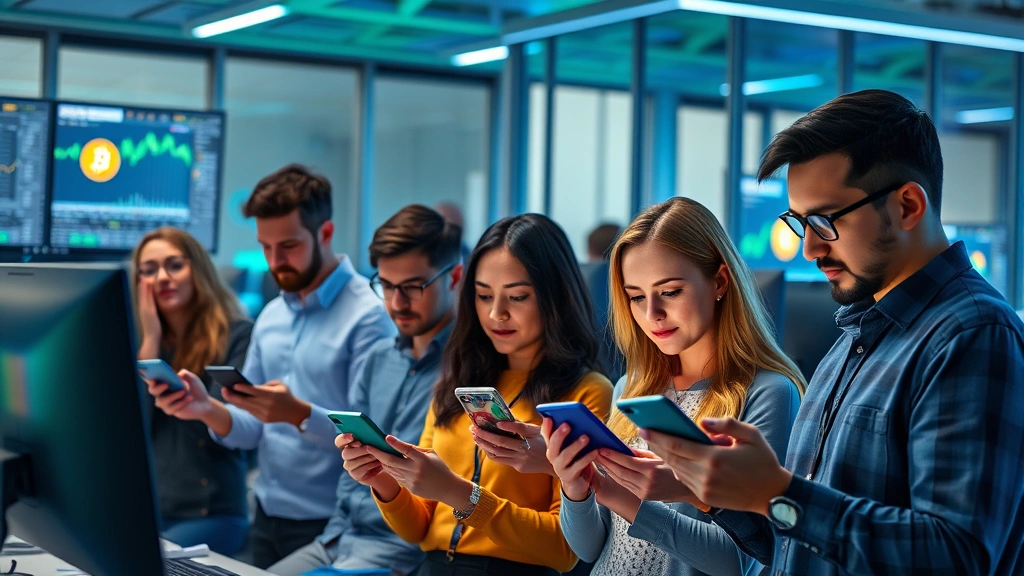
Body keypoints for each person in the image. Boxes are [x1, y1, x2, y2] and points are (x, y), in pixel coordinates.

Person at [643, 90, 1024, 575]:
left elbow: (956, 555)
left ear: (907, 205)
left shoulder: (972, 335)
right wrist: (728, 495)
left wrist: (775, 492)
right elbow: (798, 541)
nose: (809, 249)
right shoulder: (855, 335)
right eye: (800, 223)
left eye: (825, 220)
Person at [149, 164, 395, 568]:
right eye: (265, 247)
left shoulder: (369, 316)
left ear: (326, 233)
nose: (275, 261)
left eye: (289, 246)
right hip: (266, 518)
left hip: (333, 524)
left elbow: (375, 438)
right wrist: (205, 409)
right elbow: (251, 432)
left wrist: (298, 415)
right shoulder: (272, 315)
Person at [340, 214, 613, 576]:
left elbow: (565, 550)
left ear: (555, 297)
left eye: (517, 297)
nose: (496, 314)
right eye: (484, 296)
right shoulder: (456, 380)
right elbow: (419, 530)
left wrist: (457, 493)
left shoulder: (586, 392)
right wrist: (382, 479)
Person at [546, 197, 805, 576]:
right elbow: (588, 549)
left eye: (669, 292)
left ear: (719, 281)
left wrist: (632, 497)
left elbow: (740, 562)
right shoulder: (629, 388)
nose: (652, 314)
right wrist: (577, 487)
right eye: (636, 297)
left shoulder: (768, 393)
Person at [268, 205, 463, 576]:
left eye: (412, 287)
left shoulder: (470, 371)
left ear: (453, 277)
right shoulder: (378, 359)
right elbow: (350, 467)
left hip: (400, 553)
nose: (396, 303)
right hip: (337, 538)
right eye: (386, 286)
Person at [135, 227, 253, 556]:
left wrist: (201, 406)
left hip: (213, 513)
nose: (161, 278)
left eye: (174, 265)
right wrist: (151, 339)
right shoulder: (136, 339)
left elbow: (238, 429)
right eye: (149, 270)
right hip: (152, 510)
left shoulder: (237, 335)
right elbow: (133, 428)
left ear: (198, 269)